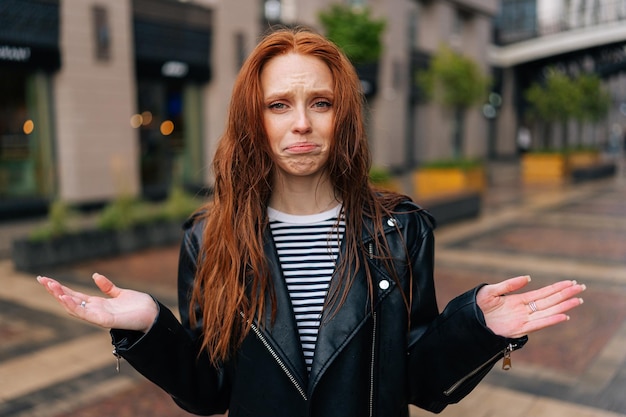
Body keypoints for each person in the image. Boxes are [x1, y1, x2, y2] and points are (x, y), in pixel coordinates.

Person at [37, 27, 585, 417]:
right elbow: (209, 391)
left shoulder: (401, 229)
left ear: (342, 114)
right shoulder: (208, 238)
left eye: (320, 102)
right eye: (279, 105)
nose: (301, 124)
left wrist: (478, 328)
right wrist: (151, 326)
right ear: (253, 118)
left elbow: (417, 380)